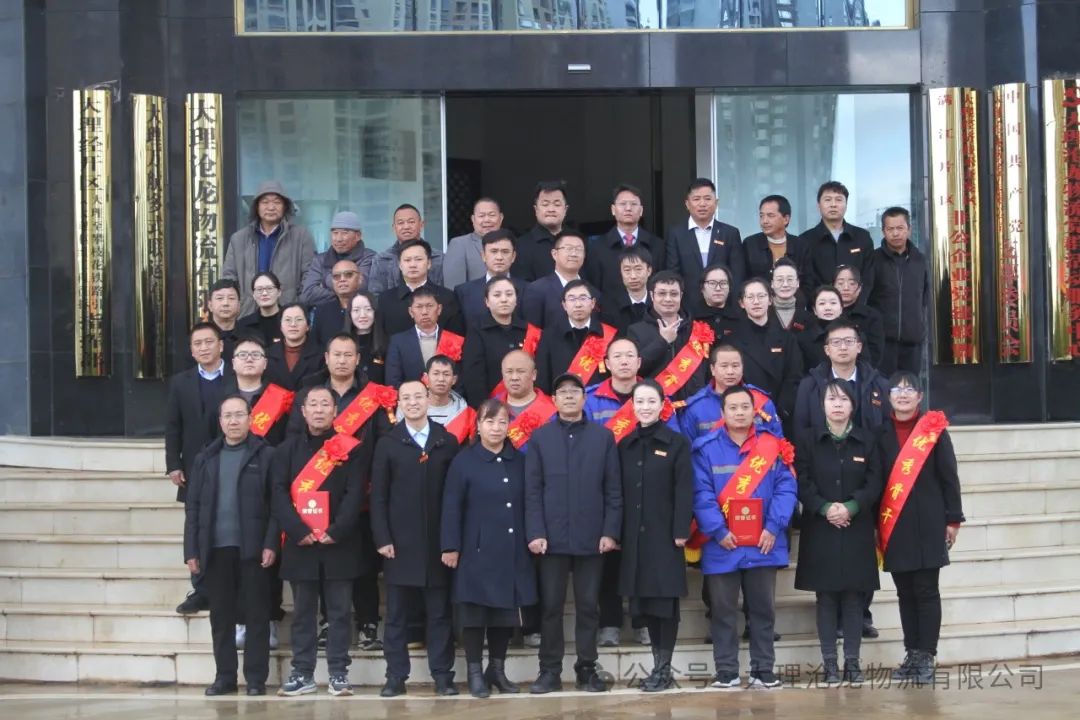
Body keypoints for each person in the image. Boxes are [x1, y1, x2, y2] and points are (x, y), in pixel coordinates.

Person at [691, 385, 797, 690]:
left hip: (764, 542)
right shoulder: (705, 448)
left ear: (755, 411)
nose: (739, 413)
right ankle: (727, 671)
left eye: (745, 407)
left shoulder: (772, 445)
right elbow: (700, 493)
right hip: (722, 544)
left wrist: (773, 527)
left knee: (763, 610)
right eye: (733, 408)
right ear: (722, 413)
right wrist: (718, 530)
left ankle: (763, 669)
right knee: (722, 611)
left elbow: (786, 488)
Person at [525, 373, 622, 694]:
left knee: (589, 606)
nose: (568, 396)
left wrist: (610, 531)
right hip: (550, 539)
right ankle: (549, 671)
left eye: (574, 391)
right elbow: (532, 490)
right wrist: (535, 531)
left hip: (592, 537)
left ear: (584, 398)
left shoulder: (602, 437)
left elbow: (613, 489)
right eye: (562, 392)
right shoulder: (540, 438)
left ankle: (587, 669)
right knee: (551, 606)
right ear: (553, 399)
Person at [270, 386, 371, 697]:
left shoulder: (351, 449)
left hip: (339, 543)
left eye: (325, 404)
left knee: (339, 613)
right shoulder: (286, 450)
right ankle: (303, 673)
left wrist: (336, 530)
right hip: (300, 544)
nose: (318, 410)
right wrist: (297, 530)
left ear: (335, 410)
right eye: (312, 404)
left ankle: (338, 673)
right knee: (303, 614)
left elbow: (355, 493)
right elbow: (277, 493)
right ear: (303, 411)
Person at [440, 398, 538, 697]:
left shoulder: (519, 460)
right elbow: (451, 507)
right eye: (489, 421)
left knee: (503, 614)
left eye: (502, 422)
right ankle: (474, 672)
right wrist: (450, 546)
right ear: (478, 425)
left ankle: (496, 670)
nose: (496, 428)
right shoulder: (464, 461)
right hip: (476, 551)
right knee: (474, 614)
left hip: (511, 550)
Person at [371, 380, 461, 697]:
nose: (412, 402)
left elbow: (455, 497)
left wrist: (452, 543)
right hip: (399, 544)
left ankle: (443, 675)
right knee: (397, 616)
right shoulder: (388, 443)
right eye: (405, 398)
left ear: (428, 399)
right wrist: (382, 537)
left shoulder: (446, 441)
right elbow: (378, 497)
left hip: (438, 544)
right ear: (399, 403)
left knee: (439, 614)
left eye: (418, 396)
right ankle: (395, 676)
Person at [183, 395, 277, 696]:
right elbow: (193, 508)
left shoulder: (266, 455)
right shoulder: (205, 458)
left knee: (257, 615)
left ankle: (256, 679)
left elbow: (277, 506)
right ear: (220, 421)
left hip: (254, 548)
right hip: (216, 549)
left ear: (250, 418)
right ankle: (225, 677)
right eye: (228, 416)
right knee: (221, 617)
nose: (233, 421)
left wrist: (271, 543)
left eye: (239, 415)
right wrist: (192, 550)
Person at [794, 379, 884, 685]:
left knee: (854, 597)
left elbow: (874, 481)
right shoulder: (807, 439)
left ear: (853, 406)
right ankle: (830, 664)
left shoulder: (867, 440)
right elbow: (801, 479)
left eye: (843, 399)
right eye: (831, 399)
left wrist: (852, 507)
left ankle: (853, 663)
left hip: (856, 526)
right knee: (826, 597)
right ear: (822, 405)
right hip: (820, 527)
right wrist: (824, 508)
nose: (837, 405)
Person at [877, 372, 964, 684]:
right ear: (888, 396)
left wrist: (953, 519)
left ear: (919, 396)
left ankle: (927, 654)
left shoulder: (933, 430)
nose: (903, 394)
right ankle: (912, 653)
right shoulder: (880, 432)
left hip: (929, 521)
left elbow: (949, 476)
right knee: (905, 592)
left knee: (926, 590)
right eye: (896, 389)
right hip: (894, 523)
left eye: (909, 389)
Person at [617, 380, 694, 692]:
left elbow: (684, 489)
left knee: (665, 605)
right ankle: (657, 667)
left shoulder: (677, 443)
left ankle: (663, 669)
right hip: (634, 540)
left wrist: (681, 530)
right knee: (645, 604)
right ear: (632, 406)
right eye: (640, 401)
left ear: (663, 405)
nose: (645, 407)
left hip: (665, 538)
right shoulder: (625, 445)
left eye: (651, 401)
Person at [224, 337, 291, 649]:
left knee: (269, 554)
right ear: (233, 362)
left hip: (269, 483)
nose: (249, 359)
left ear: (265, 362)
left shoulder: (280, 398)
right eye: (243, 355)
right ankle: (240, 619)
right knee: (236, 556)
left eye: (256, 354)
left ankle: (270, 619)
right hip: (231, 484)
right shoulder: (223, 397)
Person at [583, 337, 648, 648]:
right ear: (606, 363)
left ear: (639, 362)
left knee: (640, 558)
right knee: (606, 559)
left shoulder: (652, 397)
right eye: (617, 356)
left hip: (644, 490)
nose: (624, 361)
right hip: (602, 491)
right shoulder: (591, 400)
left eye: (629, 356)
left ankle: (642, 621)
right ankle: (609, 622)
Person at [166, 322, 233, 614]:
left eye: (209, 342)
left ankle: (229, 588)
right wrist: (173, 464)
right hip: (195, 466)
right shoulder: (180, 382)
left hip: (231, 462)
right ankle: (201, 588)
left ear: (221, 345)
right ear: (191, 351)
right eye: (198, 344)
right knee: (196, 526)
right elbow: (173, 426)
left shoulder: (236, 377)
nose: (204, 348)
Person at [223, 180, 316, 316]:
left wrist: (298, 304)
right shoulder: (239, 239)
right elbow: (229, 278)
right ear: (256, 207)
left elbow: (310, 276)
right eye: (265, 202)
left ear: (285, 206)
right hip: (249, 313)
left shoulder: (301, 236)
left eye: (277, 202)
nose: (271, 207)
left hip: (288, 314)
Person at [794, 318, 892, 437]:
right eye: (836, 342)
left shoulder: (879, 385)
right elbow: (801, 430)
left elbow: (887, 429)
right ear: (827, 350)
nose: (843, 347)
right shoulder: (809, 385)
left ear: (859, 347)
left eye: (849, 341)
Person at [729, 278, 803, 434]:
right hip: (747, 414)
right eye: (750, 297)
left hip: (780, 414)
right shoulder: (732, 340)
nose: (756, 302)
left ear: (770, 300)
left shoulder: (787, 338)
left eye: (761, 296)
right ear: (742, 303)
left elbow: (794, 376)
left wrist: (781, 410)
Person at [627, 270, 709, 403]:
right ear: (652, 296)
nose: (668, 299)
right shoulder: (636, 330)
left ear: (681, 296)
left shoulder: (697, 329)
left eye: (674, 294)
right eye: (662, 293)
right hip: (655, 406)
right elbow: (633, 368)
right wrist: (662, 341)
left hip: (694, 404)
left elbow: (707, 370)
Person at [868, 207, 929, 376]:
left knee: (909, 388)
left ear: (909, 229)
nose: (895, 233)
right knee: (882, 388)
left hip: (912, 342)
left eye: (900, 228)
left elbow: (925, 297)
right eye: (890, 229)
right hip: (882, 343)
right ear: (883, 231)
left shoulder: (920, 260)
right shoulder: (873, 260)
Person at [679, 343, 783, 443]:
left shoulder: (761, 401)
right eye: (724, 366)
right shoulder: (695, 407)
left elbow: (777, 442)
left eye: (735, 366)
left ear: (742, 368)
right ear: (712, 369)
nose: (730, 372)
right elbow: (687, 449)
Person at [795, 181, 874, 303]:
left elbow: (868, 277)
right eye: (827, 200)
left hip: (857, 309)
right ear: (818, 205)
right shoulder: (805, 240)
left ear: (846, 205)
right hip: (820, 309)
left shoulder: (862, 237)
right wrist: (821, 304)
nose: (833, 205)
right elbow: (806, 281)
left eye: (838, 200)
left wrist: (859, 305)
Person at [534, 280, 615, 393]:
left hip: (600, 400)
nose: (578, 304)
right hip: (562, 400)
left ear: (593, 303)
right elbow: (542, 378)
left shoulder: (607, 334)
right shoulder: (549, 336)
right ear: (564, 305)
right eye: (572, 299)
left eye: (583, 298)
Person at [666, 178, 744, 293]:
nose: (702, 204)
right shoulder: (676, 234)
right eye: (696, 199)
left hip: (722, 300)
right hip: (687, 301)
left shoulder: (730, 233)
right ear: (687, 204)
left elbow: (737, 275)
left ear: (716, 203)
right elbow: (673, 274)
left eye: (707, 199)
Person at [462, 276, 531, 406]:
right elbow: (474, 376)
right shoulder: (477, 331)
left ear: (516, 300)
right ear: (487, 302)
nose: (504, 299)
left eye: (509, 294)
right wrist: (484, 409)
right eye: (497, 295)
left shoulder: (529, 331)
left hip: (528, 406)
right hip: (493, 407)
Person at [585, 184, 665, 296]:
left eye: (633, 204)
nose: (628, 208)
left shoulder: (657, 245)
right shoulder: (597, 247)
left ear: (641, 210)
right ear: (613, 210)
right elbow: (593, 287)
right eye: (623, 204)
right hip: (610, 306)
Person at [376, 238, 462, 337]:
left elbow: (455, 337)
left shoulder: (447, 297)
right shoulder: (386, 299)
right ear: (400, 265)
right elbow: (381, 338)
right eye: (407, 260)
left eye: (418, 259)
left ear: (429, 263)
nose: (413, 265)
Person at [385, 286, 464, 387]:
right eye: (419, 307)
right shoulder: (398, 342)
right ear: (411, 312)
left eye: (429, 306)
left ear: (439, 309)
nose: (424, 312)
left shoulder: (454, 340)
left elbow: (460, 380)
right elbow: (392, 382)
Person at [523, 230, 598, 329]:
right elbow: (533, 331)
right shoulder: (536, 289)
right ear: (554, 254)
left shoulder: (593, 291)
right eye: (568, 249)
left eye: (579, 249)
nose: (574, 254)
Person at [455, 229, 527, 331]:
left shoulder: (528, 289)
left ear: (513, 256)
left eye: (505, 252)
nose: (499, 257)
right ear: (483, 256)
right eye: (494, 251)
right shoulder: (464, 292)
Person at [300, 210, 376, 305]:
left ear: (358, 236)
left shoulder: (369, 258)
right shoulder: (320, 260)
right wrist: (344, 295)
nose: (339, 239)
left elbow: (362, 287)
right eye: (335, 233)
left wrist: (325, 281)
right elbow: (307, 295)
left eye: (344, 233)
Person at [367, 204, 445, 294]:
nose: (406, 227)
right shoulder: (381, 260)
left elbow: (445, 293)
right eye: (400, 223)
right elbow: (375, 295)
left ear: (421, 225)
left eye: (411, 222)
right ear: (394, 228)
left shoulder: (439, 258)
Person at [512, 180, 570, 282]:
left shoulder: (577, 242)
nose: (551, 209)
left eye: (557, 204)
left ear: (565, 209)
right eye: (545, 204)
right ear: (536, 209)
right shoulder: (521, 246)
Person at [443, 197, 505, 289]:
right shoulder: (459, 244)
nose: (487, 220)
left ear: (501, 217)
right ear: (473, 219)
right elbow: (454, 288)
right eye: (481, 216)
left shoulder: (511, 244)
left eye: (492, 215)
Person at [265, 304, 326, 392]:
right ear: (281, 326)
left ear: (308, 326)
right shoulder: (268, 354)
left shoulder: (321, 355)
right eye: (288, 320)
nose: (293, 324)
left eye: (299, 319)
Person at [835, 265, 885, 368]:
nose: (846, 288)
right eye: (840, 283)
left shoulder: (872, 316)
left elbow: (875, 353)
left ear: (860, 288)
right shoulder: (826, 314)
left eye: (852, 283)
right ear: (832, 286)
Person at [742, 195, 801, 283]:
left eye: (770, 216)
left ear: (786, 219)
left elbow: (807, 282)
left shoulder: (800, 246)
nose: (764, 221)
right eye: (761, 216)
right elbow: (743, 280)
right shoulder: (750, 244)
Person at [600, 245, 653, 334]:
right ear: (621, 272)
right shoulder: (609, 307)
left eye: (638, 269)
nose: (633, 276)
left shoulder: (659, 303)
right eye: (627, 270)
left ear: (649, 271)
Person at [310, 259, 361, 347]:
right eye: (336, 276)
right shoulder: (322, 311)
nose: (342, 279)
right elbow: (315, 347)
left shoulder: (369, 309)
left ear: (360, 279)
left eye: (348, 274)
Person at [795, 286, 844, 372]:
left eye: (833, 303)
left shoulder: (855, 336)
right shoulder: (802, 339)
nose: (828, 308)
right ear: (814, 310)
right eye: (822, 303)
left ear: (841, 309)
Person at [693, 263, 743, 341]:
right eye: (712, 283)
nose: (718, 288)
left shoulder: (739, 318)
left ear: (729, 288)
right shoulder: (691, 318)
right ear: (702, 288)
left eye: (723, 283)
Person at [418, 355, 469, 427]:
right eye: (436, 374)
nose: (441, 379)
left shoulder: (463, 411)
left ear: (454, 380)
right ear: (426, 377)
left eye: (446, 374)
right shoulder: (412, 407)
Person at [347, 291, 387, 385]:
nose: (362, 315)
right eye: (356, 310)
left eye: (368, 309)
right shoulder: (341, 343)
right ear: (350, 314)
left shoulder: (387, 343)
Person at [237, 272, 283, 346]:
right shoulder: (244, 325)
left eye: (269, 288)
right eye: (259, 289)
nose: (264, 293)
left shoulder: (289, 321)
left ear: (279, 292)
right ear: (253, 295)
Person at [769, 259, 812, 332]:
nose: (785, 284)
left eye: (790, 279)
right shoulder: (763, 313)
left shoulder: (808, 317)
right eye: (780, 280)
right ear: (772, 283)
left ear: (797, 283)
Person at [207, 278, 242, 361]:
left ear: (239, 305)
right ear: (210, 305)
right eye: (220, 298)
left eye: (231, 298)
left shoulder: (250, 336)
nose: (225, 303)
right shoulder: (200, 337)